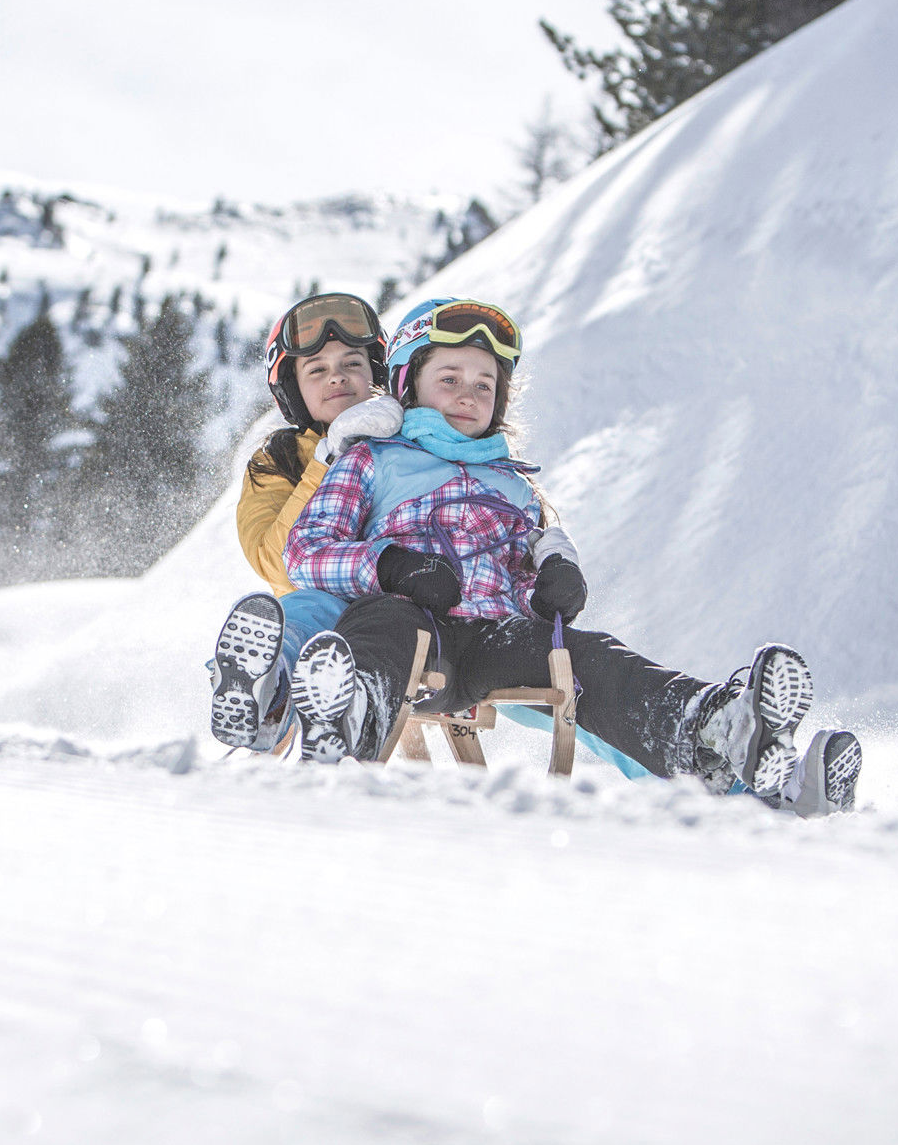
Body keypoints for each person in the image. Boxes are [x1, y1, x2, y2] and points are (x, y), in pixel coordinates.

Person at [281, 296, 860, 813]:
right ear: (409, 384)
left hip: (492, 636)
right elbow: (305, 552)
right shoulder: (373, 459)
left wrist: (557, 574)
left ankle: (714, 730)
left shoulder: (513, 484)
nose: (468, 394)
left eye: (485, 385)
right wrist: (389, 566)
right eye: (450, 378)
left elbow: (538, 549)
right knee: (383, 624)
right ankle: (347, 719)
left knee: (588, 657)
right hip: (409, 626)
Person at [207, 291, 407, 761]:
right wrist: (328, 458)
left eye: (352, 363)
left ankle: (298, 706)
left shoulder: (414, 440)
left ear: (376, 375)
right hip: (321, 603)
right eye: (316, 369)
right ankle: (262, 687)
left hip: (403, 604)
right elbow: (274, 562)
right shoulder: (277, 461)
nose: (336, 375)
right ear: (294, 389)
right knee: (306, 608)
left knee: (366, 620)